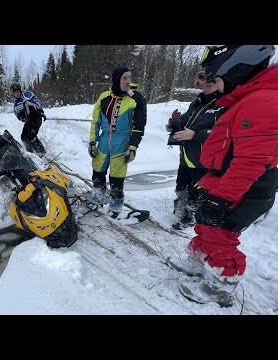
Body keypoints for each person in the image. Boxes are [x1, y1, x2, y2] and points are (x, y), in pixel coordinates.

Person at [167, 45, 278, 307]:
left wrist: (221, 199)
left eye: (216, 81)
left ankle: (221, 284)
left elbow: (250, 162)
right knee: (205, 224)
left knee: (220, 233)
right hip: (225, 178)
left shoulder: (262, 101)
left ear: (237, 70)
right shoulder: (249, 98)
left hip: (247, 186)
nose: (216, 87)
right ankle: (198, 262)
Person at [166, 70, 226, 230]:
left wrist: (194, 134)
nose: (205, 88)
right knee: (180, 188)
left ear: (218, 85)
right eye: (204, 84)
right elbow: (186, 120)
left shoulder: (223, 106)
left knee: (196, 193)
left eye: (210, 85)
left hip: (203, 161)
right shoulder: (197, 102)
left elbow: (221, 134)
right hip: (186, 156)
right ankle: (178, 213)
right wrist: (174, 124)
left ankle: (190, 218)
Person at [88, 66, 147, 216]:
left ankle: (115, 209)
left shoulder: (136, 99)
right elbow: (95, 121)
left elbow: (139, 126)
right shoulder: (104, 97)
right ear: (116, 80)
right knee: (97, 175)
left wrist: (133, 147)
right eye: (124, 78)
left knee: (116, 181)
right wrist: (92, 142)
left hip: (121, 145)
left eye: (129, 78)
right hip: (103, 143)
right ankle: (97, 202)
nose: (128, 81)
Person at [10, 82, 47, 156]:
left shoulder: (27, 95)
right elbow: (16, 113)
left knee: (31, 136)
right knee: (23, 137)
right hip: (29, 120)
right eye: (15, 93)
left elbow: (36, 103)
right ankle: (30, 153)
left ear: (20, 91)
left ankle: (42, 152)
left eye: (17, 92)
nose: (16, 94)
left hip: (36, 118)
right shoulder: (15, 102)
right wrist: (20, 117)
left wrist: (41, 112)